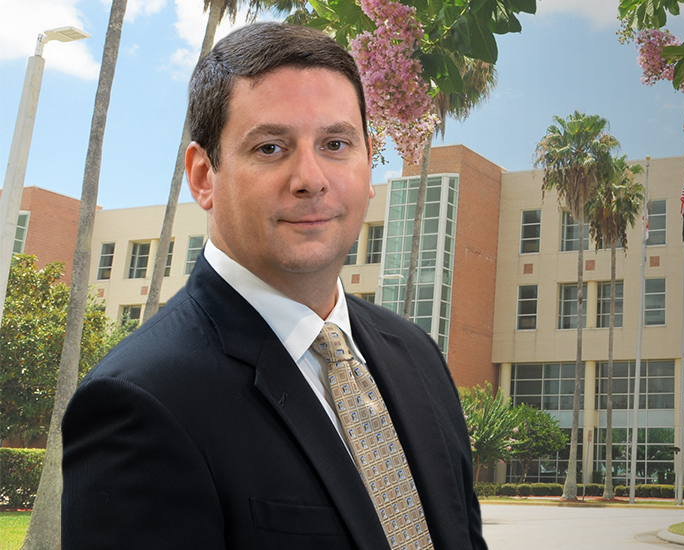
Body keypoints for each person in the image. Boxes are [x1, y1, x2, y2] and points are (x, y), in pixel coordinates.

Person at [61, 23, 485, 549]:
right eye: (270, 147)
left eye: (335, 143)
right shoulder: (140, 401)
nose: (310, 177)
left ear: (368, 164)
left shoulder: (417, 356)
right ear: (202, 176)